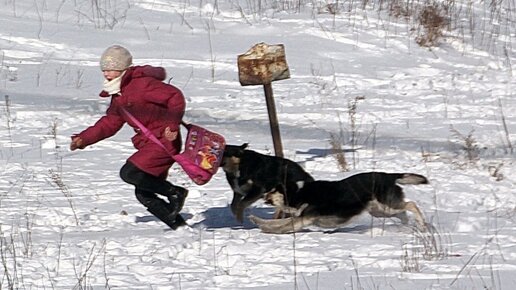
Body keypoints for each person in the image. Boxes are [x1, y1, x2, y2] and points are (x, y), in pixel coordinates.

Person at [70, 45, 188, 229]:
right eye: (104, 69)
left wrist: (172, 124)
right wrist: (84, 138)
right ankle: (180, 228)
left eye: (111, 69)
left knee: (130, 173)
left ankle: (176, 192)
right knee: (144, 193)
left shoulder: (141, 85)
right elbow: (111, 122)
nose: (107, 74)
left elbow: (175, 96)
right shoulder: (118, 93)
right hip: (150, 143)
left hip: (163, 140)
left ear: (123, 68)